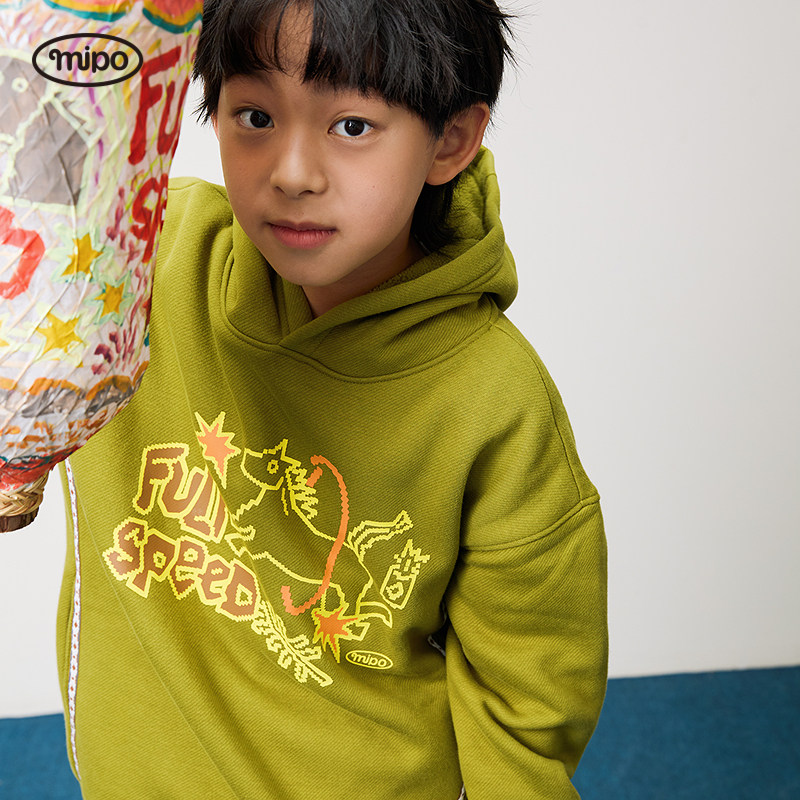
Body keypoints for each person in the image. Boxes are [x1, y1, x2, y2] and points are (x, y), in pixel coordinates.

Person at [59, 1, 608, 797]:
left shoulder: (496, 401)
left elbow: (528, 698)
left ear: (451, 140)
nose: (292, 173)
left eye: (351, 126)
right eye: (255, 116)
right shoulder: (136, 260)